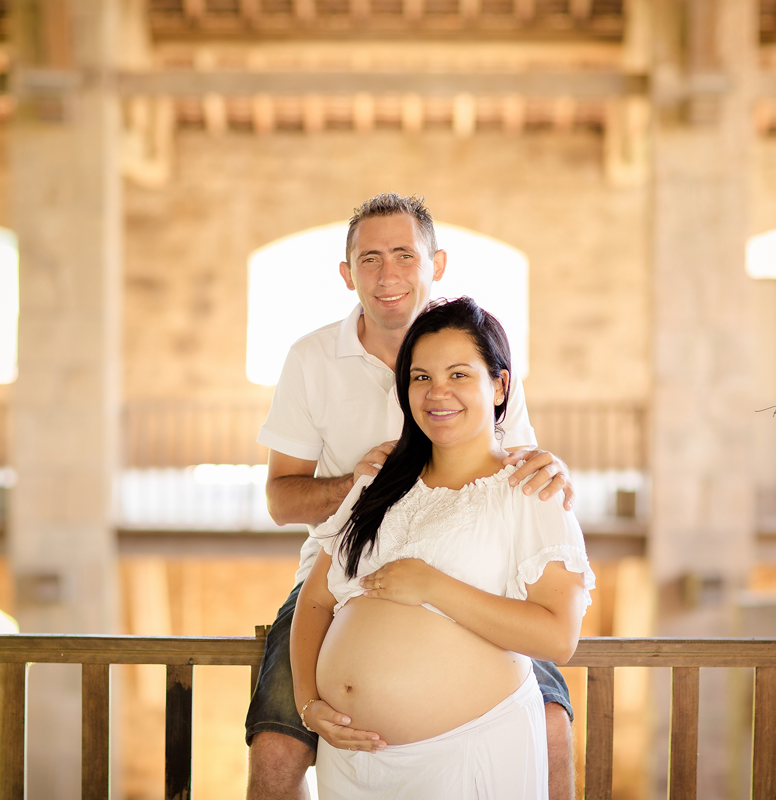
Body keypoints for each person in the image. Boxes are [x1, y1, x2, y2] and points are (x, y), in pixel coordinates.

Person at [246, 193, 577, 800]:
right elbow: (280, 500)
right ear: (347, 275)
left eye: (404, 254)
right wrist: (358, 488)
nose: (388, 273)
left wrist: (552, 468)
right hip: (345, 557)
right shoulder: (311, 359)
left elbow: (516, 464)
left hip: (475, 573)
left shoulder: (481, 353)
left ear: (437, 264)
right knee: (274, 744)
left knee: (554, 723)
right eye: (369, 259)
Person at [291, 297, 594, 798]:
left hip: (462, 761)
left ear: (498, 386)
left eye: (458, 375)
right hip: (348, 764)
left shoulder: (531, 489)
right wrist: (309, 703)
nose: (437, 393)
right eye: (421, 377)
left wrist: (433, 587)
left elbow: (559, 637)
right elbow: (318, 598)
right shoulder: (380, 483)